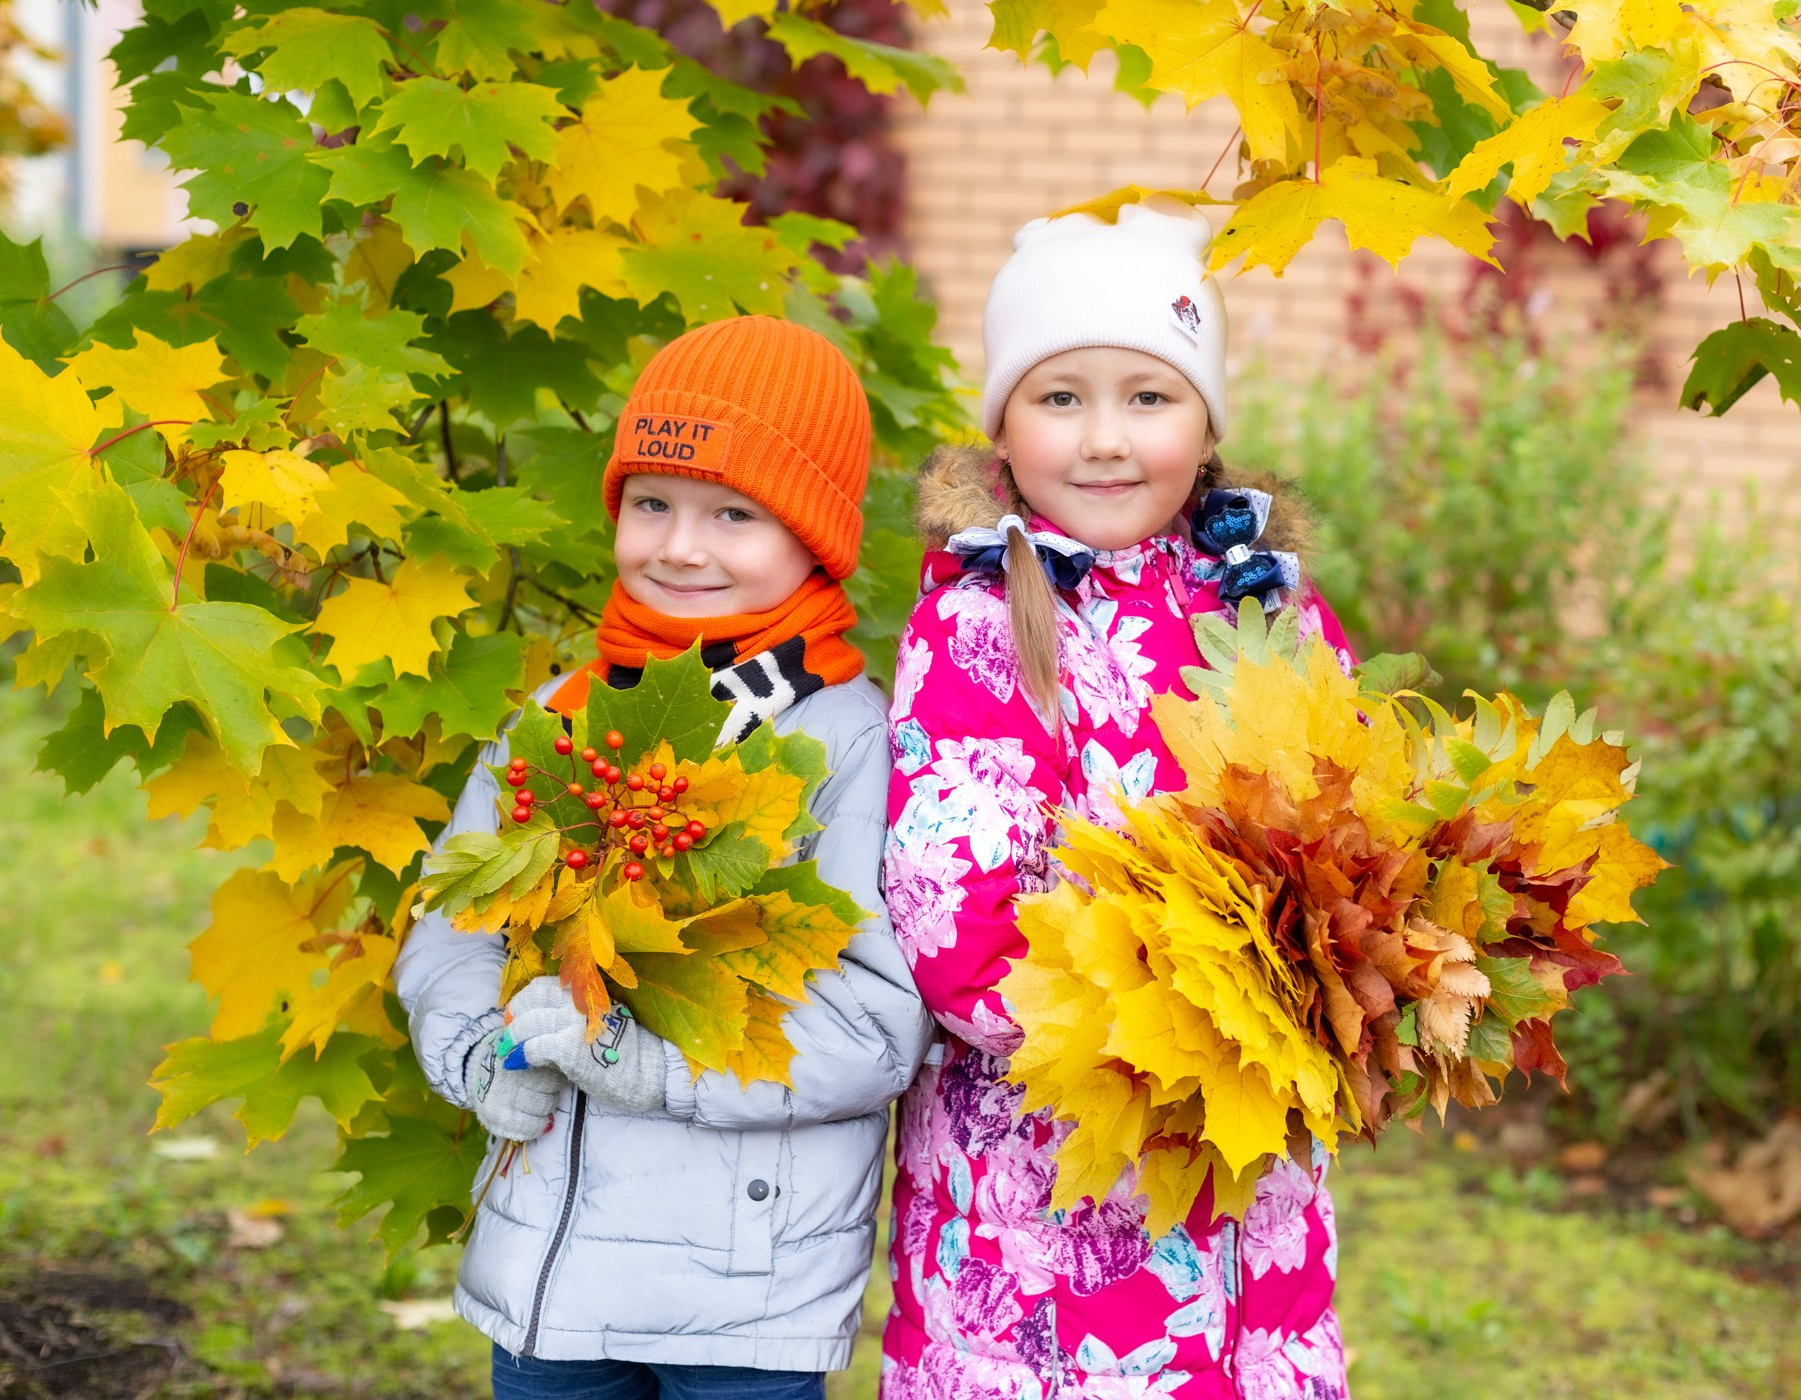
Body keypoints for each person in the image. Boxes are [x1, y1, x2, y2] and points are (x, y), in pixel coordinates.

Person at [395, 315, 933, 1400]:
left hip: (741, 1297)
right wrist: (475, 1055)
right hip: (547, 1273)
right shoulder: (561, 718)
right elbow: (454, 923)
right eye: (652, 503)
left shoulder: (846, 741)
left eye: (734, 513)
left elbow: (876, 1026)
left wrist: (656, 1068)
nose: (681, 546)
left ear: (815, 537)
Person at [880, 201, 1356, 1398]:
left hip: (1255, 1202)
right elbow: (962, 933)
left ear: (1207, 421)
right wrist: (1194, 1022)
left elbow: (1347, 839)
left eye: (1149, 396)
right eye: (1060, 396)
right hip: (1045, 1207)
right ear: (1003, 422)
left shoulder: (1270, 609)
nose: (1105, 439)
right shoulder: (981, 625)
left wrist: (1340, 985)